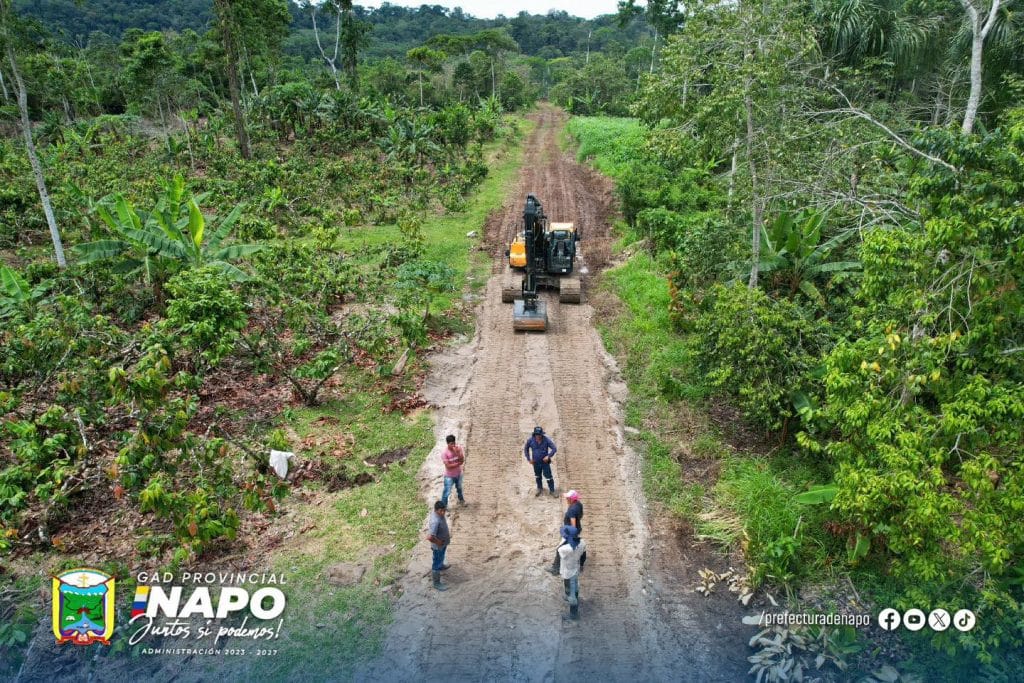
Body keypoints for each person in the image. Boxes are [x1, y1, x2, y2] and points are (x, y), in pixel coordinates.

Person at [547, 490, 583, 574]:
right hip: (578, 528)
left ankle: (555, 569)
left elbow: (573, 526)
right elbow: (581, 515)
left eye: (568, 498)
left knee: (560, 549)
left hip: (571, 532)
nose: (566, 499)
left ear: (571, 499)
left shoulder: (572, 510)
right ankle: (580, 563)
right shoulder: (578, 504)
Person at [556, 525, 587, 619]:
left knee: (571, 591)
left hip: (568, 571)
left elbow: (558, 549)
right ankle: (571, 595)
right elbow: (584, 555)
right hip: (575, 567)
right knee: (575, 585)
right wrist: (581, 565)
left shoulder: (565, 549)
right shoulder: (582, 542)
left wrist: (565, 540)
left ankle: (573, 615)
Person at [524, 426, 557, 496]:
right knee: (537, 476)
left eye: (539, 435)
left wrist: (548, 456)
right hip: (535, 463)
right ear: (534, 434)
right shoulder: (530, 440)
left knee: (548, 476)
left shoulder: (546, 440)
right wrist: (529, 459)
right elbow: (526, 449)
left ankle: (552, 490)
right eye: (536, 434)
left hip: (545, 463)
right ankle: (539, 488)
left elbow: (554, 448)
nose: (538, 436)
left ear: (542, 434)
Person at [426, 500, 451, 591]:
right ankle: (436, 583)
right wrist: (439, 542)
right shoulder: (435, 521)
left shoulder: (439, 514)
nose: (443, 512)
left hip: (442, 543)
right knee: (436, 562)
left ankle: (441, 565)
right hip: (438, 546)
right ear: (436, 510)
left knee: (441, 557)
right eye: (441, 511)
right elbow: (430, 537)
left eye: (444, 510)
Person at [441, 434, 466, 506]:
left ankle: (461, 500)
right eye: (451, 444)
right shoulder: (444, 453)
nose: (453, 445)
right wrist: (458, 463)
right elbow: (448, 466)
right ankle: (443, 506)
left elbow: (462, 460)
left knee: (459, 488)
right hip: (449, 476)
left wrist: (458, 453)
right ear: (448, 443)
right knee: (447, 492)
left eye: (454, 443)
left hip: (458, 474)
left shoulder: (458, 448)